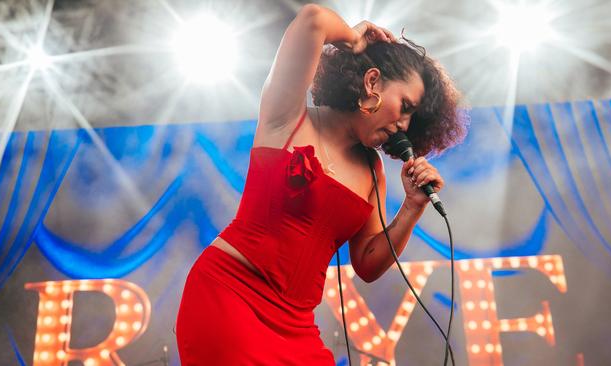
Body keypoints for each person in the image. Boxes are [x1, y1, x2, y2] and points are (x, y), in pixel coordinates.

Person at [175, 4, 467, 365]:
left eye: (412, 116)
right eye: (405, 105)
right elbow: (313, 19)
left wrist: (411, 208)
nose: (405, 124)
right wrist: (354, 37)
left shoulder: (371, 170)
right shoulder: (287, 116)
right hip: (229, 297)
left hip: (296, 325)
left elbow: (368, 263)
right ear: (372, 81)